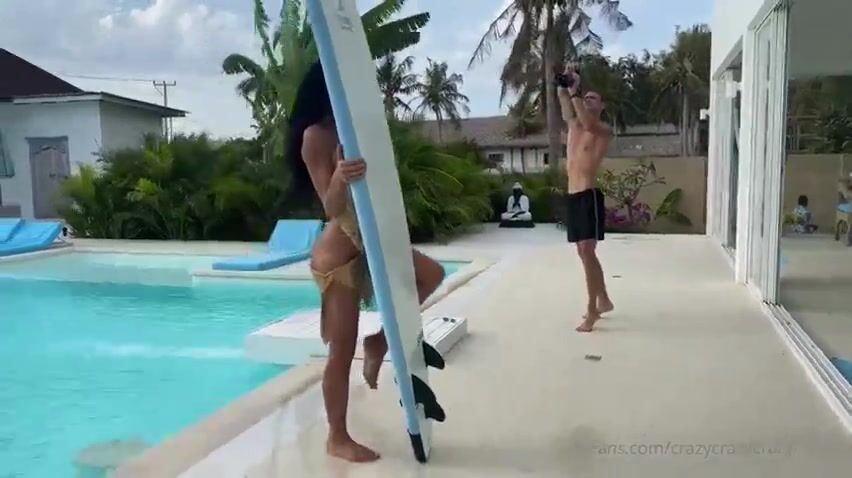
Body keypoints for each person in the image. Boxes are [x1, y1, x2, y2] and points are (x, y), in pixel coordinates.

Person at [287, 61, 445, 462]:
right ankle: (337, 437)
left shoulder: (358, 128)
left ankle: (379, 341)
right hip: (337, 257)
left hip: (370, 241)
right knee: (341, 352)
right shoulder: (315, 136)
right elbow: (330, 207)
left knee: (431, 275)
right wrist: (340, 176)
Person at [558, 65, 614, 333]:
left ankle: (593, 310)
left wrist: (575, 92)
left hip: (588, 196)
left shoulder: (601, 129)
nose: (587, 101)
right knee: (584, 253)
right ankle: (604, 300)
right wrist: (564, 85)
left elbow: (588, 121)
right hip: (573, 196)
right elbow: (566, 107)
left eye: (593, 98)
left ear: (602, 106)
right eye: (585, 97)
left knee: (587, 252)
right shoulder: (574, 126)